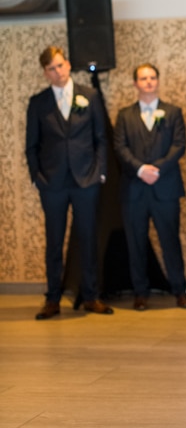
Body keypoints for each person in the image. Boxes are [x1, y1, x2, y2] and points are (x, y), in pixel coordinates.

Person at [25, 45, 113, 320]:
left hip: (86, 179)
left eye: (61, 65)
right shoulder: (38, 102)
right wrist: (37, 178)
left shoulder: (90, 96)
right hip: (52, 183)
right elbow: (32, 145)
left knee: (87, 238)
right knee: (54, 240)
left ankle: (91, 296)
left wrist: (100, 172)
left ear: (68, 65)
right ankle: (52, 299)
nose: (58, 72)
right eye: (51, 68)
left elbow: (101, 138)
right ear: (45, 73)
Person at [114, 63, 186, 311]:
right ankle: (140, 292)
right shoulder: (124, 115)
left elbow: (179, 145)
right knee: (135, 243)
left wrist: (156, 168)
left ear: (157, 81)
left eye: (152, 77)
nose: (148, 82)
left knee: (170, 240)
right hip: (134, 189)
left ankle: (180, 289)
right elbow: (120, 147)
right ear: (135, 83)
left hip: (165, 187)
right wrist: (140, 169)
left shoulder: (173, 112)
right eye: (143, 78)